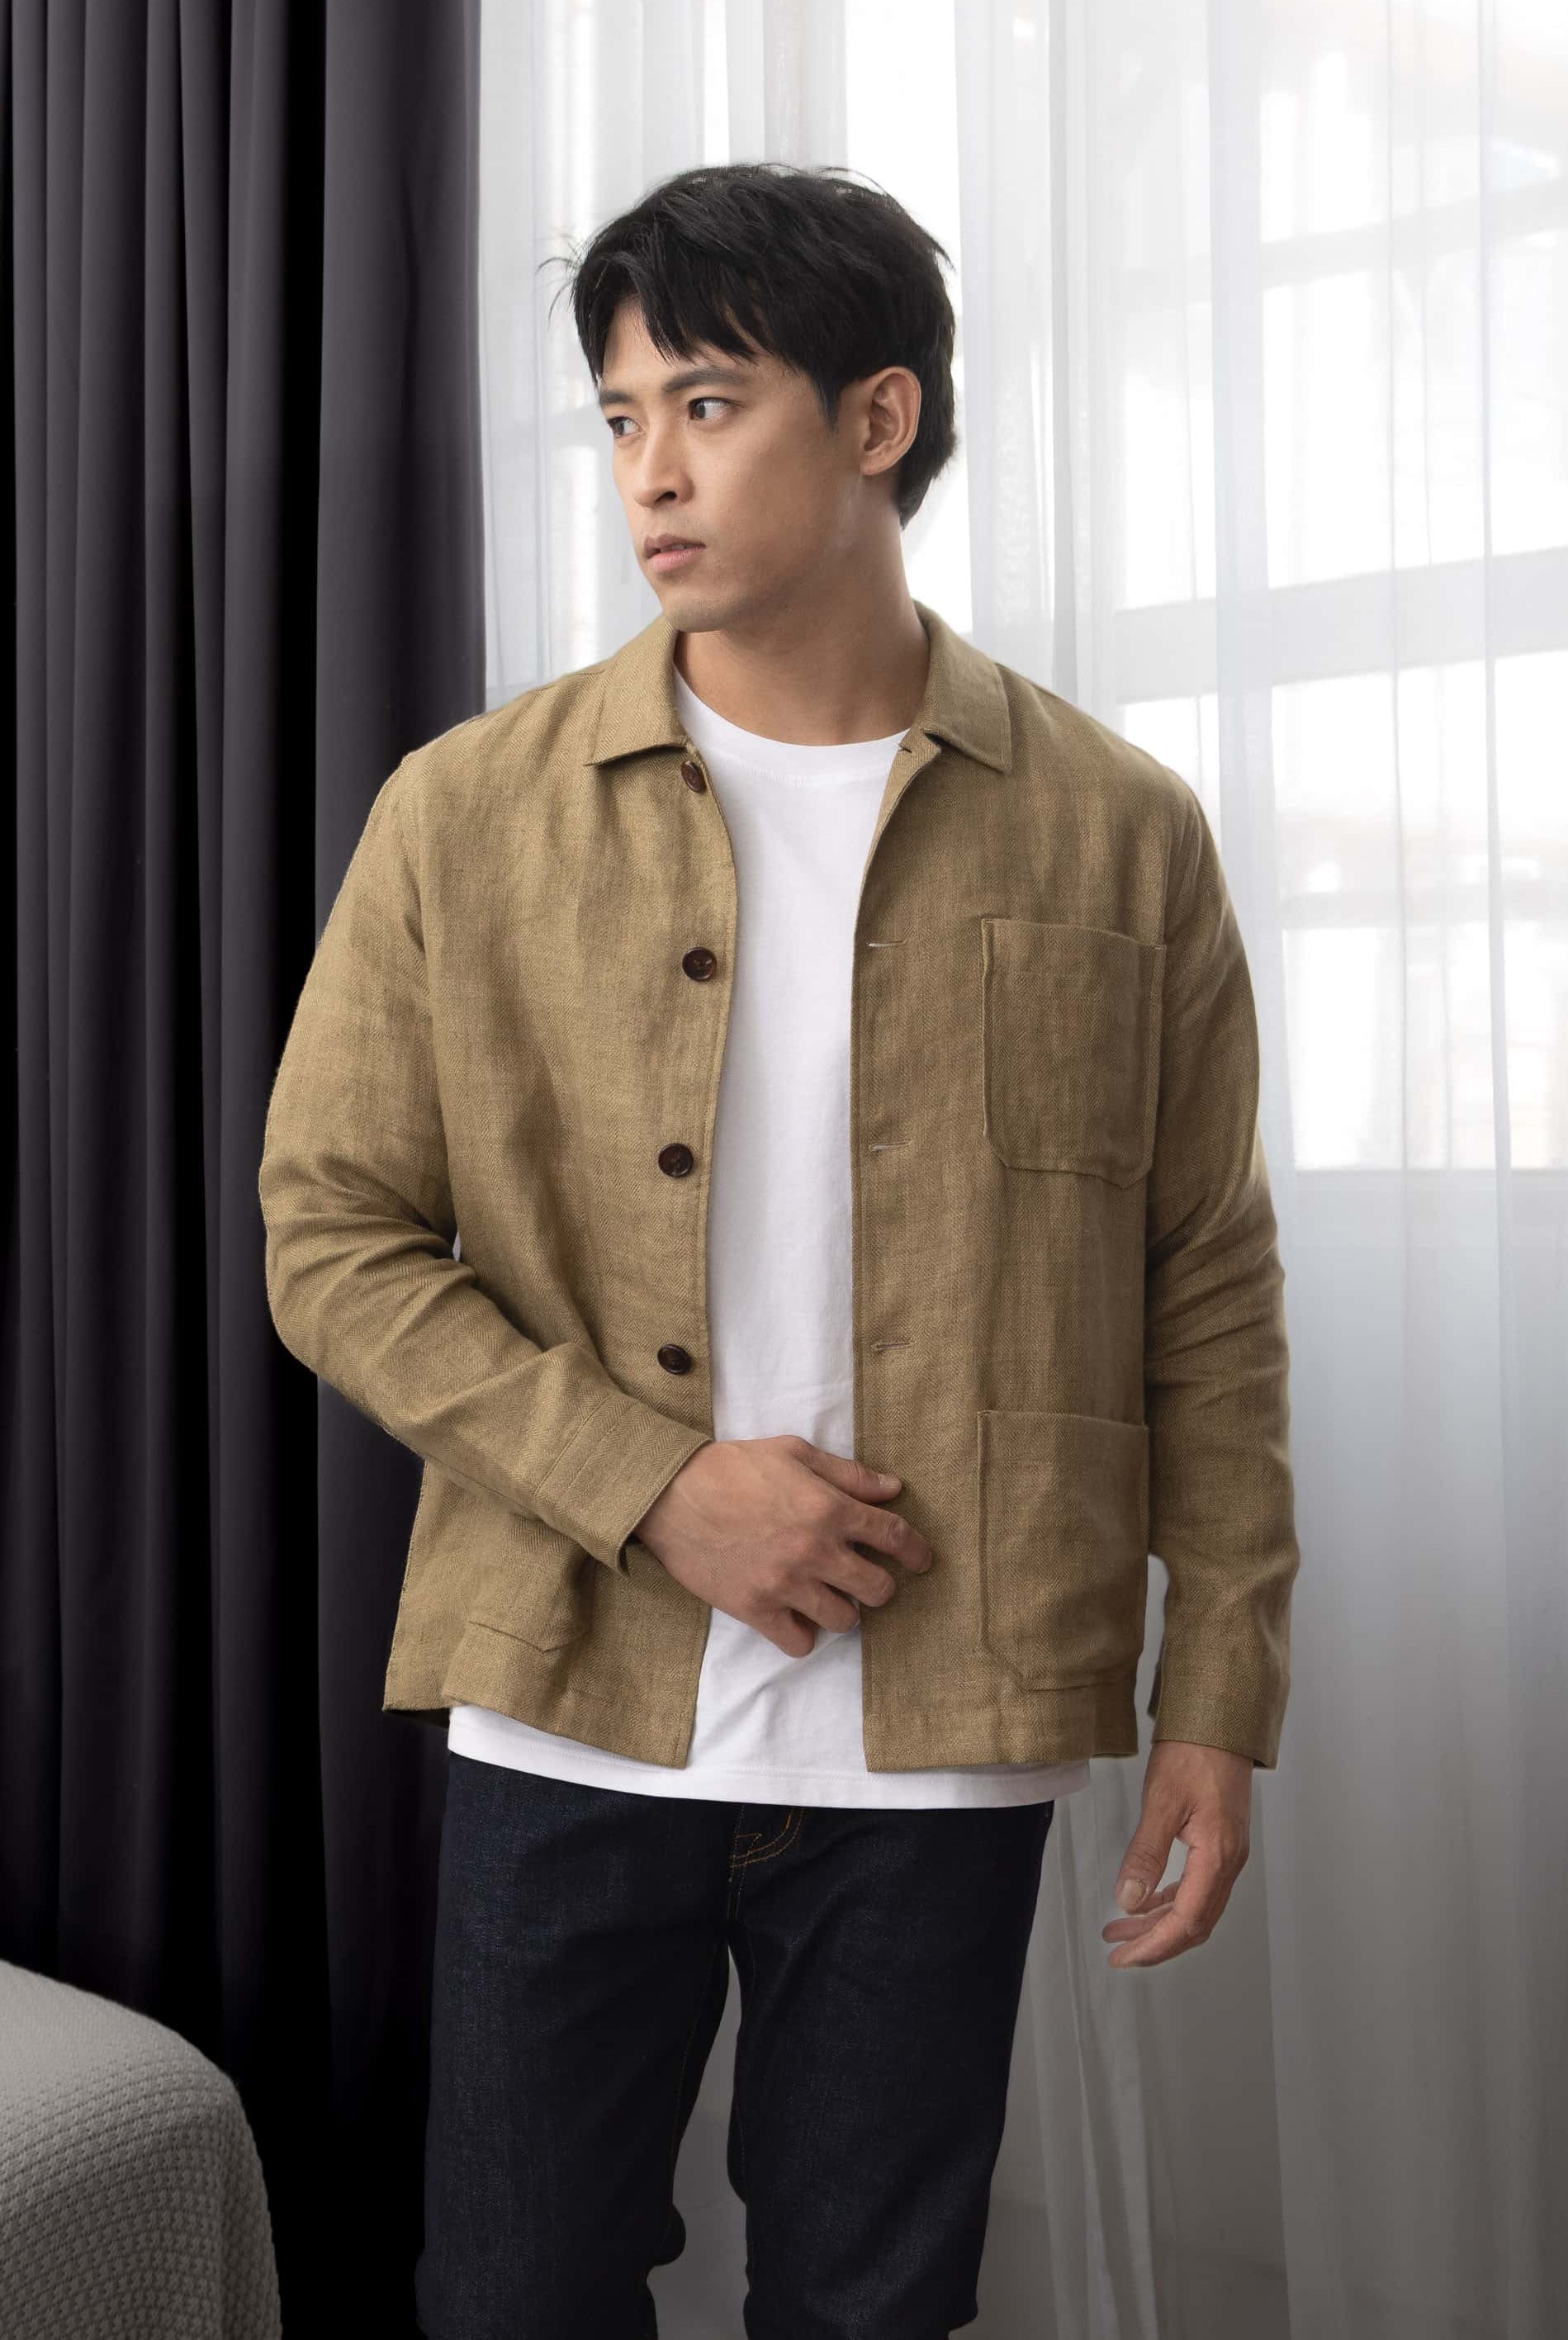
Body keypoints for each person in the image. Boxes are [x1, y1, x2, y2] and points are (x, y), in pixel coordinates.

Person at [258, 160, 1300, 2340]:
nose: (649, 468)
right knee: (516, 2295)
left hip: (939, 1727)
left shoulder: (1116, 829)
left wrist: (1216, 1690)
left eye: (707, 402)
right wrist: (659, 1483)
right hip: (570, 1699)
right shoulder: (468, 812)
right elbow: (330, 1236)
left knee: (868, 2300)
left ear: (877, 417)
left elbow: (1197, 1279)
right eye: (620, 414)